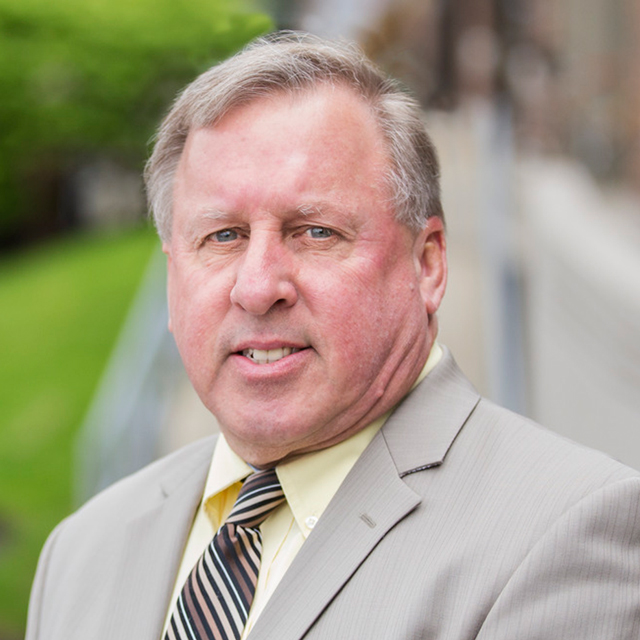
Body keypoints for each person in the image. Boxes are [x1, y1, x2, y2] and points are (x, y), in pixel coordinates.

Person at [26, 32, 640, 640]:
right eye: (223, 237)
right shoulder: (82, 553)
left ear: (426, 265)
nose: (258, 286)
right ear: (171, 276)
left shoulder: (563, 534)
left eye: (315, 232)